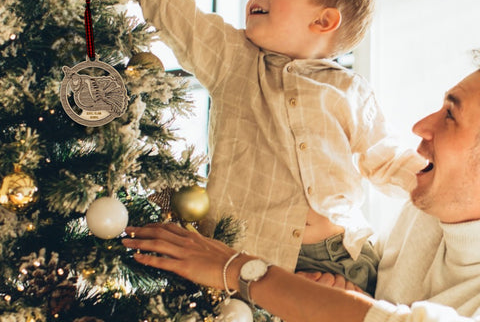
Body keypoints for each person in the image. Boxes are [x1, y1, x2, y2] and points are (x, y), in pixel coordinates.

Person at [50, 0, 426, 295]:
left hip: (338, 258)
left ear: (323, 21)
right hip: (245, 254)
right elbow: (168, 2)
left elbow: (387, 161)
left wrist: (444, 183)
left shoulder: (349, 90)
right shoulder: (234, 60)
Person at [122, 67, 480, 321]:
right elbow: (381, 305)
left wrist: (235, 268)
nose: (421, 127)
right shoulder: (427, 210)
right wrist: (350, 296)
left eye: (450, 115)